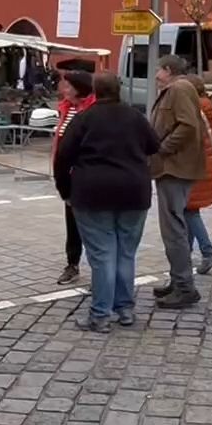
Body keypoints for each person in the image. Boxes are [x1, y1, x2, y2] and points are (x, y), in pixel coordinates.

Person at [55, 72, 157, 332]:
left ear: (95, 91)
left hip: (93, 192)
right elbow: (154, 145)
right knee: (126, 253)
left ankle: (100, 313)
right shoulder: (135, 117)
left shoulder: (84, 119)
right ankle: (124, 308)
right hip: (134, 191)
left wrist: (65, 190)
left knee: (102, 255)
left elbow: (62, 158)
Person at [147, 55, 208, 309]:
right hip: (171, 168)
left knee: (173, 230)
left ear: (168, 70)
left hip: (175, 168)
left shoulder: (180, 89)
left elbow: (188, 126)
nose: (156, 75)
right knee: (174, 228)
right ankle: (178, 280)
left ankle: (184, 287)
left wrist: (163, 148)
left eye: (159, 69)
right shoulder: (177, 89)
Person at [51, 69, 96, 285]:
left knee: (92, 224)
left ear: (79, 88)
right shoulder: (66, 108)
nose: (64, 89)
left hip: (86, 174)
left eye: (68, 86)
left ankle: (99, 270)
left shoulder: (91, 110)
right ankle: (72, 263)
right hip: (67, 174)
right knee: (72, 221)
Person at [184, 82, 212, 275]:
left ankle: (207, 251)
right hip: (206, 164)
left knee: (190, 210)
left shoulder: (195, 109)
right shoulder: (208, 108)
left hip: (196, 166)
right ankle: (187, 252)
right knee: (191, 209)